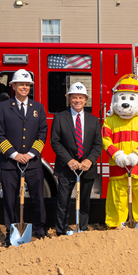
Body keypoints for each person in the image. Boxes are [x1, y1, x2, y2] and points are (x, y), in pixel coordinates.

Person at [0, 69, 48, 246]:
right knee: (10, 199)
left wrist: (31, 154)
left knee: (37, 197)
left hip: (32, 163)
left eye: (27, 85)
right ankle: (11, 233)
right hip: (10, 163)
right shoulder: (3, 107)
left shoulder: (38, 108)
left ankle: (40, 230)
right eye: (21, 84)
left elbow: (42, 133)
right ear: (13, 86)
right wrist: (15, 155)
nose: (24, 87)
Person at [102, 74, 138, 229]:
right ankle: (115, 223)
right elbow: (105, 140)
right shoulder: (110, 120)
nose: (126, 103)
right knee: (117, 196)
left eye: (131, 99)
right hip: (118, 164)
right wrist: (117, 154)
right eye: (123, 98)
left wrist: (136, 154)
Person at [50, 82, 102, 236]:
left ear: (86, 100)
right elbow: (55, 141)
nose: (77, 100)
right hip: (66, 167)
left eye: (80, 97)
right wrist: (69, 160)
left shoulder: (94, 120)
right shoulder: (60, 118)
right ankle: (61, 230)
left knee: (85, 200)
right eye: (74, 97)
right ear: (69, 99)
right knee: (63, 200)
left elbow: (98, 144)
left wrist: (89, 160)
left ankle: (82, 229)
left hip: (87, 168)